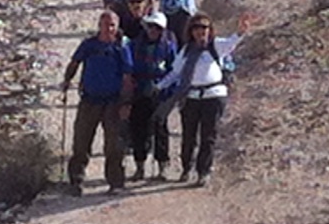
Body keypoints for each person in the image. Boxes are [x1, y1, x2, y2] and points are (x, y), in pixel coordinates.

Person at [156, 12, 252, 187]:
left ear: (210, 30)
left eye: (204, 28)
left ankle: (204, 171)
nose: (201, 32)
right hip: (191, 97)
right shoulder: (185, 51)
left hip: (213, 96)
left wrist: (241, 31)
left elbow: (232, 42)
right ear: (191, 31)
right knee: (189, 136)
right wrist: (159, 86)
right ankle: (186, 167)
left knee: (208, 136)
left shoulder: (216, 46)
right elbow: (175, 73)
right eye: (197, 28)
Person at [61, 11, 135, 195]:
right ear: (99, 25)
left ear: (117, 26)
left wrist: (126, 102)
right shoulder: (89, 45)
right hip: (89, 99)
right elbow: (75, 62)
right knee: (81, 141)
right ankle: (76, 181)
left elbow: (127, 77)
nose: (109, 29)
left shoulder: (121, 48)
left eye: (112, 25)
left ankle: (116, 182)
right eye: (105, 24)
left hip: (113, 101)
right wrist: (67, 80)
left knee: (114, 144)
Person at [129, 10, 178, 182]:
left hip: (161, 92)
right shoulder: (135, 45)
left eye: (157, 28)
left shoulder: (168, 47)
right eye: (150, 26)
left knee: (160, 128)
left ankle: (162, 166)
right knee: (138, 128)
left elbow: (174, 70)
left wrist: (170, 92)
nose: (153, 30)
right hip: (140, 90)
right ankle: (140, 165)